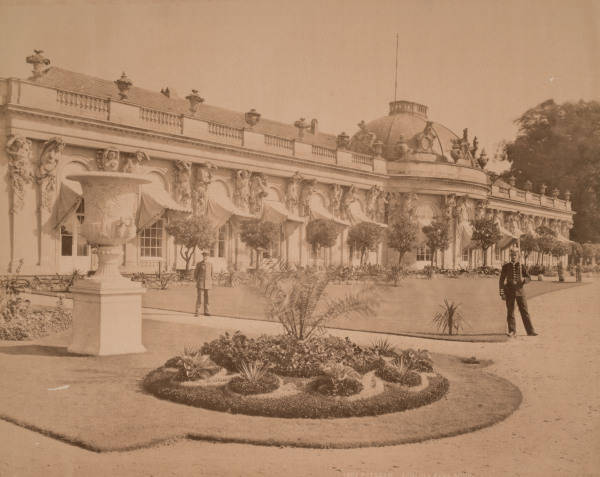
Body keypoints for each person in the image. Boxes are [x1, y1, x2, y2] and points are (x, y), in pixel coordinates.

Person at [499, 248, 537, 337]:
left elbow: (529, 278)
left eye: (515, 255)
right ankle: (512, 331)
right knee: (510, 311)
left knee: (524, 311)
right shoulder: (506, 267)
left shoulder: (521, 266)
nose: (513, 257)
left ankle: (530, 331)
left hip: (520, 291)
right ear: (510, 256)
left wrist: (524, 280)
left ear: (518, 256)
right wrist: (502, 293)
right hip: (509, 292)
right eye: (512, 255)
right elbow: (501, 280)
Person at [194, 251, 213, 316]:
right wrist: (198, 281)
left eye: (207, 256)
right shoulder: (199, 264)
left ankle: (206, 311)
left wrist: (210, 282)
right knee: (200, 298)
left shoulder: (210, 264)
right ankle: (197, 312)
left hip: (208, 283)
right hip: (201, 283)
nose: (205, 257)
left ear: (208, 256)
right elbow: (195, 274)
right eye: (204, 255)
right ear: (203, 256)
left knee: (207, 298)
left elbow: (211, 274)